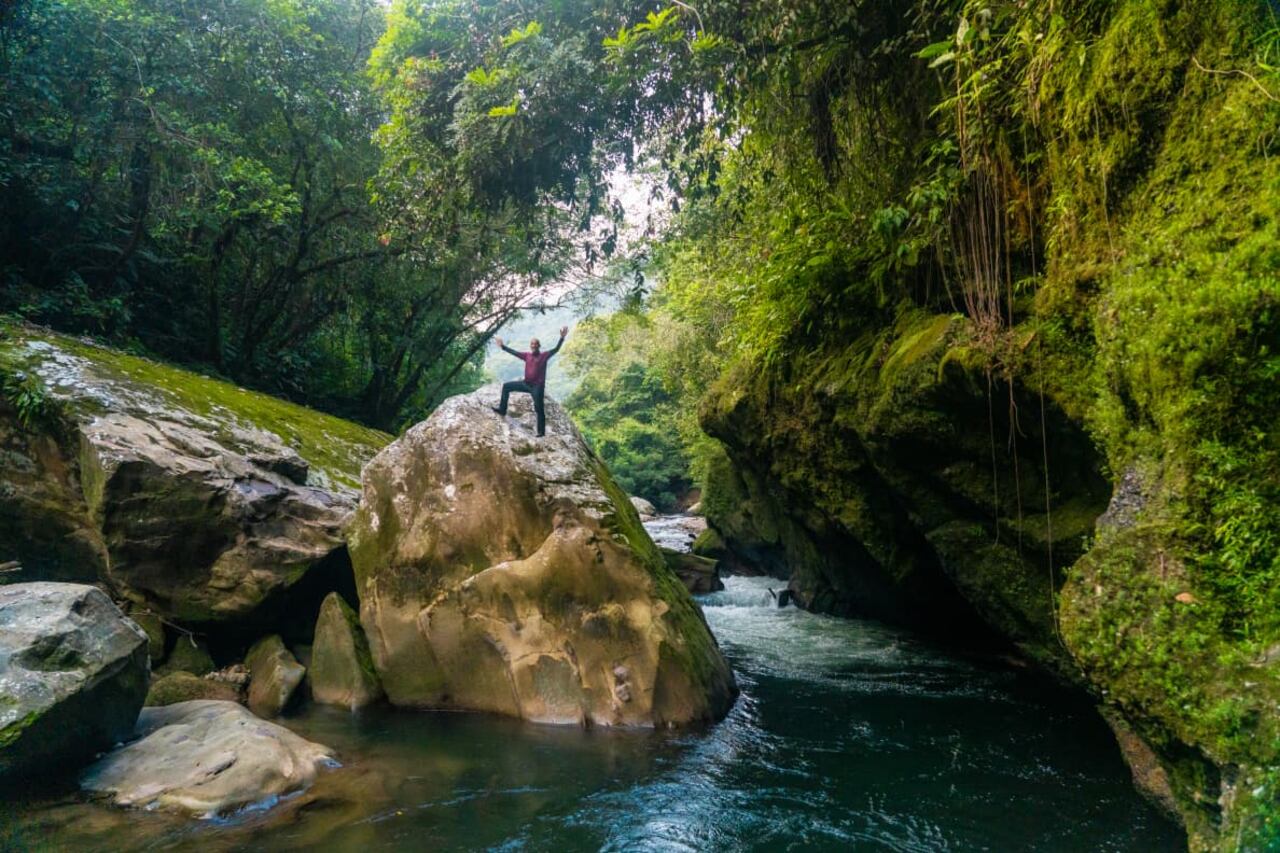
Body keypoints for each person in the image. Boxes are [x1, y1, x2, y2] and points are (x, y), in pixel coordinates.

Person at [492, 326, 568, 436]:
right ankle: (502, 409)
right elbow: (514, 352)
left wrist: (561, 338)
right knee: (506, 386)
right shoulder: (526, 356)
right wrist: (503, 347)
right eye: (532, 344)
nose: (533, 345)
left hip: (537, 387)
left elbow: (556, 349)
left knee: (539, 408)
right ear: (530, 346)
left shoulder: (544, 356)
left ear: (539, 346)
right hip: (526, 384)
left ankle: (541, 432)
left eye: (535, 344)